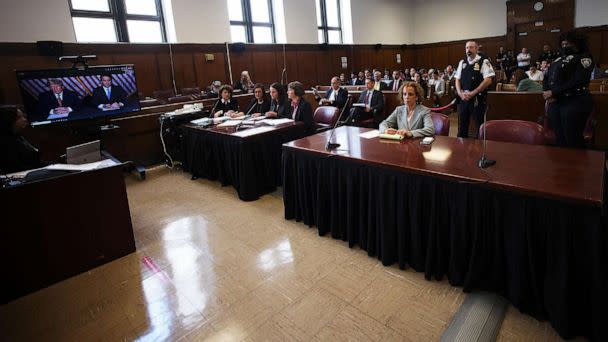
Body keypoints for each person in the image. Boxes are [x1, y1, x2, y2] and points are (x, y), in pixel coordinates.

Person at [543, 30, 594, 148]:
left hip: (575, 100)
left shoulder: (584, 57)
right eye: (563, 44)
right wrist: (547, 92)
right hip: (556, 102)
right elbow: (546, 76)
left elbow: (578, 80)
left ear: (577, 43)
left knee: (572, 138)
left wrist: (553, 92)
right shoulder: (557, 59)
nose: (565, 47)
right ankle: (564, 165)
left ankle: (578, 165)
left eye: (568, 44)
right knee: (559, 138)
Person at [454, 40, 495, 138]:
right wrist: (460, 93)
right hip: (463, 98)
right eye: (467, 48)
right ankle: (461, 148)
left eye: (471, 47)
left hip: (477, 99)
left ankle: (480, 149)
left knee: (480, 126)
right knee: (462, 126)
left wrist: (473, 92)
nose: (469, 50)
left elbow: (488, 80)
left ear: (477, 49)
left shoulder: (484, 61)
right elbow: (457, 79)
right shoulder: (462, 62)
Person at [0, 105, 42, 174]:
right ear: (8, 120)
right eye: (19, 117)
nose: (24, 119)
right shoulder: (5, 143)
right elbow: (18, 169)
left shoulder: (18, 136)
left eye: (23, 116)